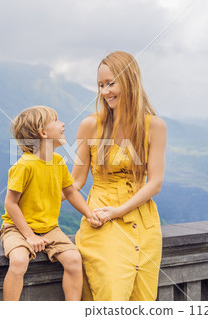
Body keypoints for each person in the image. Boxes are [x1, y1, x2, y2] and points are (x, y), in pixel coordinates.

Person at [72, 51, 167, 301]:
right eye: (101, 85)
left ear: (130, 81)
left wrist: (120, 210)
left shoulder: (154, 126)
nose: (105, 92)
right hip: (102, 220)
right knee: (111, 297)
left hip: (146, 227)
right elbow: (76, 181)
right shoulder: (90, 125)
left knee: (143, 302)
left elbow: (155, 182)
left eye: (111, 83)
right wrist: (36, 196)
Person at [0, 105, 101, 301]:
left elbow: (71, 192)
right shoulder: (24, 166)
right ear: (43, 133)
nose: (63, 124)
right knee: (19, 261)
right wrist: (29, 235)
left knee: (73, 259)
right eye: (56, 120)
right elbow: (10, 204)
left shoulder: (58, 161)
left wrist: (90, 214)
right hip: (17, 228)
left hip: (49, 229)